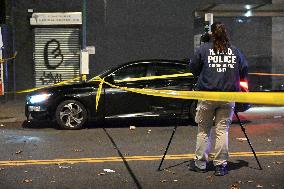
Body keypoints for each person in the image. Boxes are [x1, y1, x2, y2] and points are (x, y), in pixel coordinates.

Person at [189, 21, 248, 176]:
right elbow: (244, 69)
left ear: (212, 34)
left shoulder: (204, 49)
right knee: (222, 131)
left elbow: (193, 68)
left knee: (203, 131)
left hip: (207, 95)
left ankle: (200, 163)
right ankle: (220, 166)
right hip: (228, 96)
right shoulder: (235, 51)